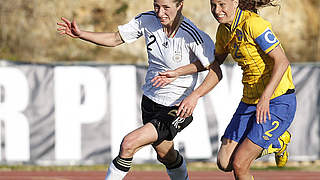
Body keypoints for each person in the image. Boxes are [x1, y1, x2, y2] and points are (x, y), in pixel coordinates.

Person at [57, 0, 220, 179]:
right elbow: (114, 39)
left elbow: (215, 71)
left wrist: (194, 96)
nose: (160, 13)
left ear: (180, 5)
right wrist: (81, 34)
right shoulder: (147, 20)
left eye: (166, 7)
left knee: (129, 144)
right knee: (166, 155)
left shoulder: (192, 34)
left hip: (177, 107)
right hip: (150, 101)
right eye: (156, 6)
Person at [151, 0, 297, 179]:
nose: (217, 10)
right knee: (224, 162)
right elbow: (212, 65)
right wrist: (178, 72)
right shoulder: (223, 31)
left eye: (222, 4)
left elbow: (282, 62)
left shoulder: (253, 24)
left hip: (277, 100)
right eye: (213, 5)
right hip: (250, 100)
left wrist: (266, 98)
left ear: (235, 2)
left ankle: (278, 140)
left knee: (240, 164)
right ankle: (276, 143)